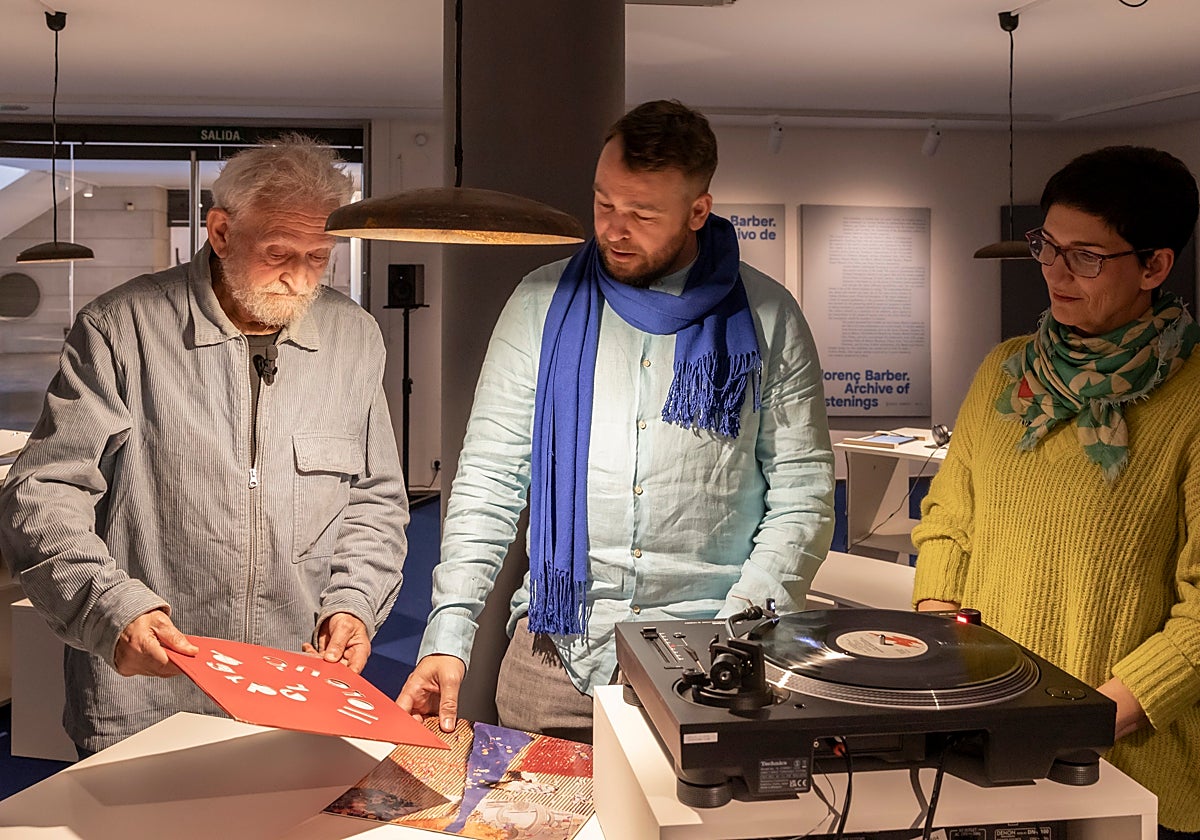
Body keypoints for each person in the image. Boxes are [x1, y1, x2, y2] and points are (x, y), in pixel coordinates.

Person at [397, 100, 835, 741]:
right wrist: (449, 632)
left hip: (712, 656)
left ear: (698, 211)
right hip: (555, 659)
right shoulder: (540, 303)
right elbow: (489, 480)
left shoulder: (770, 318)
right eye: (604, 203)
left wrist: (744, 630)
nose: (613, 229)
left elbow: (803, 494)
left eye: (641, 214)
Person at [0, 135, 409, 755]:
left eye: (319, 258)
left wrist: (354, 603)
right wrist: (111, 608)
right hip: (146, 699)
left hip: (293, 690)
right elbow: (42, 493)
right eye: (278, 253)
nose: (299, 280)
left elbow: (373, 500)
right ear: (220, 232)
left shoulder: (354, 338)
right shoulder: (121, 329)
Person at [912, 146, 1200, 838]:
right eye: (1047, 245)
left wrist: (1079, 724)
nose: (1053, 272)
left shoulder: (1190, 401)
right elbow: (951, 520)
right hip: (980, 749)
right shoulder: (1005, 370)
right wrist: (944, 651)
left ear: (1155, 266)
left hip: (1122, 773)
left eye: (1087, 256)